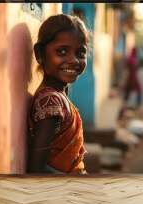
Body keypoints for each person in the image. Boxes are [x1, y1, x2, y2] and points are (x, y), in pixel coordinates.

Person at [28, 14, 89, 174]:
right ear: (40, 53)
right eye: (62, 51)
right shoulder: (51, 101)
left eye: (80, 53)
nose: (74, 60)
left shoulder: (59, 94)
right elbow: (36, 169)